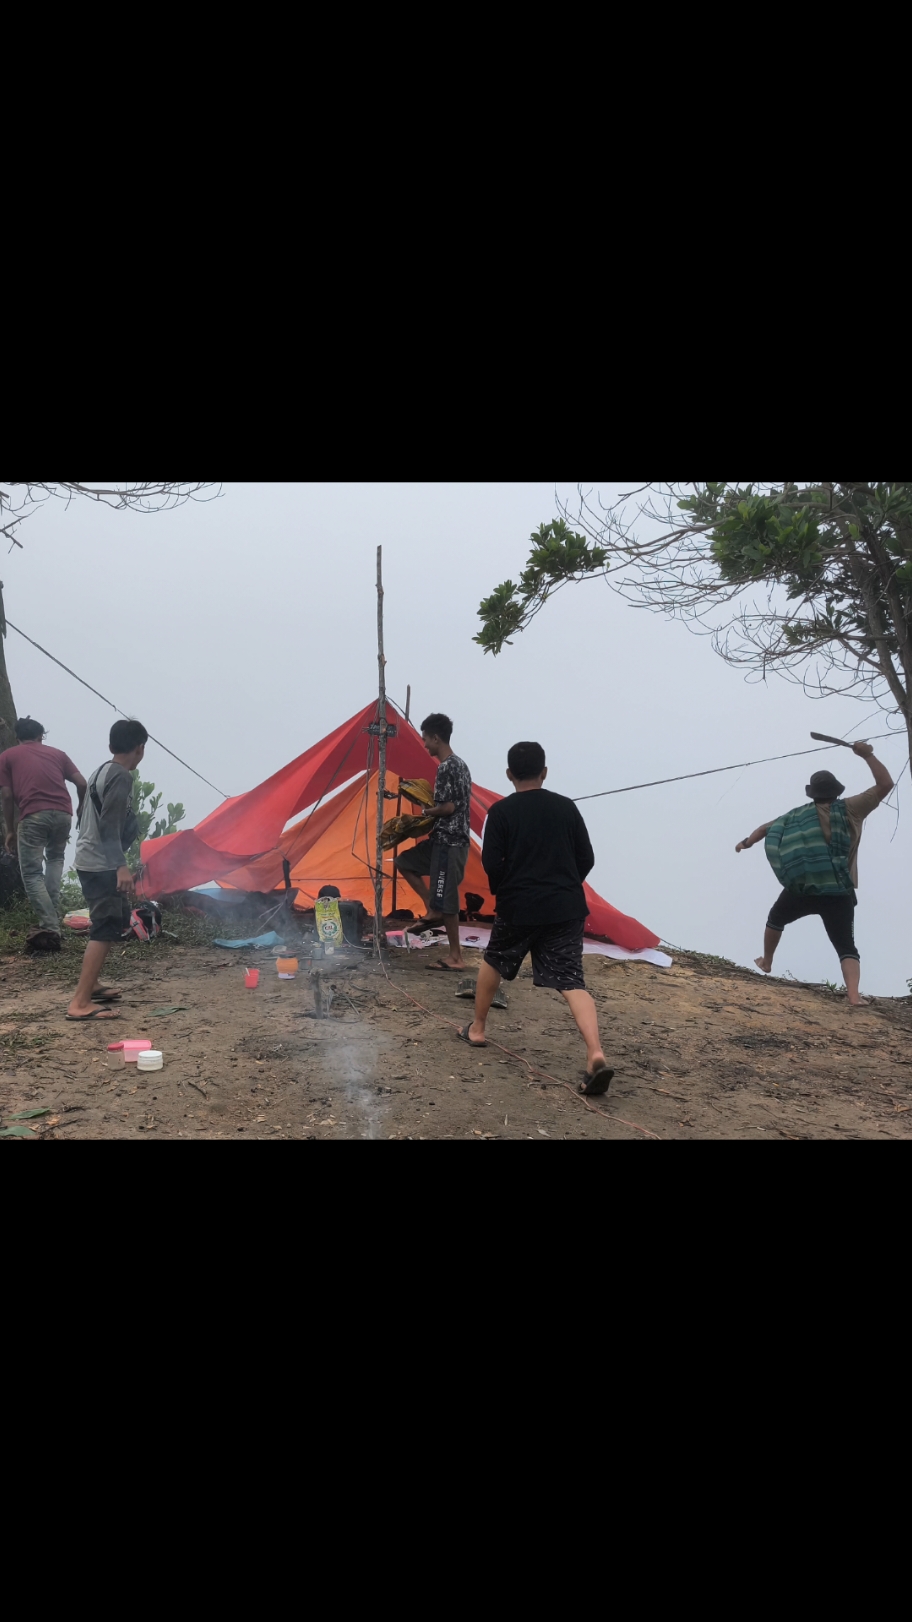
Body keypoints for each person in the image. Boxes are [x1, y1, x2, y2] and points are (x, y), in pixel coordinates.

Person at [462, 740, 613, 1096]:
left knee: (495, 959)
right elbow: (586, 857)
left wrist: (505, 888)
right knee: (572, 981)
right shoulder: (566, 808)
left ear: (509, 774)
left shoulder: (500, 812)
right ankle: (595, 1051)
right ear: (544, 772)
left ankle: (478, 1029)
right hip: (565, 908)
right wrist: (564, 884)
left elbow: (491, 863)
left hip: (518, 906)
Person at [736, 740, 894, 1006]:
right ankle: (854, 997)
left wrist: (745, 843)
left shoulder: (795, 816)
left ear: (812, 793)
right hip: (838, 890)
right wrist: (869, 756)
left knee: (776, 918)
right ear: (835, 791)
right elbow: (885, 784)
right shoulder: (851, 808)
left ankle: (767, 961)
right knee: (846, 946)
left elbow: (765, 828)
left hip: (803, 888)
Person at [66, 719, 148, 1022]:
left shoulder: (101, 770)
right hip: (102, 862)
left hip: (90, 858)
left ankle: (93, 986)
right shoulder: (121, 777)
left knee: (113, 921)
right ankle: (80, 1002)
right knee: (105, 927)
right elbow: (109, 826)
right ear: (140, 748)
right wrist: (121, 867)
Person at [0, 716, 87, 950]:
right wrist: (79, 807)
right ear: (41, 736)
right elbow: (82, 783)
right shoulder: (58, 754)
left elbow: (7, 796)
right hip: (63, 814)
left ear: (17, 738)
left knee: (31, 873)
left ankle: (50, 927)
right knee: (56, 859)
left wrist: (10, 830)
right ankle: (51, 921)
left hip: (33, 815)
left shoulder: (7, 756)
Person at [395, 712, 472, 972]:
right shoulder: (460, 765)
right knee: (404, 861)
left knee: (448, 902)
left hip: (450, 842)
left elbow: (448, 807)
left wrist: (425, 813)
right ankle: (432, 908)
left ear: (436, 738)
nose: (424, 744)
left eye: (425, 739)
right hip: (443, 840)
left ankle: (455, 957)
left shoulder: (447, 767)